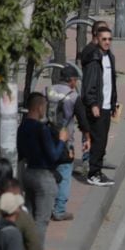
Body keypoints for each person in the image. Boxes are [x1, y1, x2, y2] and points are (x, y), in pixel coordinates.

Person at [17, 92, 67, 240]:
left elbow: (20, 152)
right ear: (39, 107)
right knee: (41, 220)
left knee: (30, 216)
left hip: (27, 173)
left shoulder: (22, 127)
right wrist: (62, 140)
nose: (45, 109)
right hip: (43, 177)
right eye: (44, 106)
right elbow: (53, 155)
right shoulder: (41, 129)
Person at [79, 23, 120, 187]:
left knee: (102, 141)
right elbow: (89, 85)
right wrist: (93, 104)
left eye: (110, 39)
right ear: (97, 39)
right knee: (98, 141)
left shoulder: (109, 56)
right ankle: (94, 174)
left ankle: (97, 170)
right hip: (97, 107)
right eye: (104, 39)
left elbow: (111, 83)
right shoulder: (94, 59)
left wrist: (113, 103)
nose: (107, 42)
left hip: (107, 104)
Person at [50, 64, 84, 222]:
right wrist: (88, 136)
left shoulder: (48, 91)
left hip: (46, 138)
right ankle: (59, 209)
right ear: (71, 80)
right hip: (65, 141)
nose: (76, 82)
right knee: (64, 174)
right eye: (75, 80)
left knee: (48, 173)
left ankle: (47, 205)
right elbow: (82, 119)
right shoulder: (73, 96)